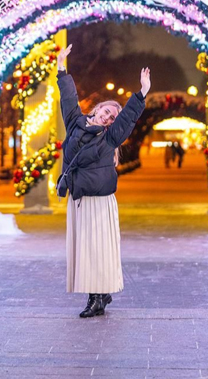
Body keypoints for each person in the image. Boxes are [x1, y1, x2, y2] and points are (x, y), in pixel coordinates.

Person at [56, 44, 150, 318]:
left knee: (96, 250)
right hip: (79, 199)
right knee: (85, 250)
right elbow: (68, 98)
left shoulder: (109, 137)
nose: (108, 116)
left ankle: (97, 298)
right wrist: (62, 68)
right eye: (107, 111)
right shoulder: (75, 123)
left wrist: (142, 93)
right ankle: (99, 294)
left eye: (112, 117)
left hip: (100, 203)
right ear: (97, 108)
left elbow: (129, 118)